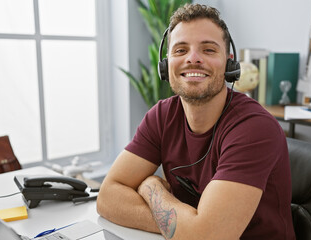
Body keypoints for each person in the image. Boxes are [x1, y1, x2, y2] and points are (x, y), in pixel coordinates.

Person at [97, 3, 295, 240]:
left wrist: (152, 187)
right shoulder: (161, 116)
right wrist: (184, 227)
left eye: (209, 50)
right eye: (180, 50)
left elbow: (207, 236)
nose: (193, 59)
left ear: (229, 63)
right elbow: (107, 197)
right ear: (166, 63)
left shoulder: (254, 128)